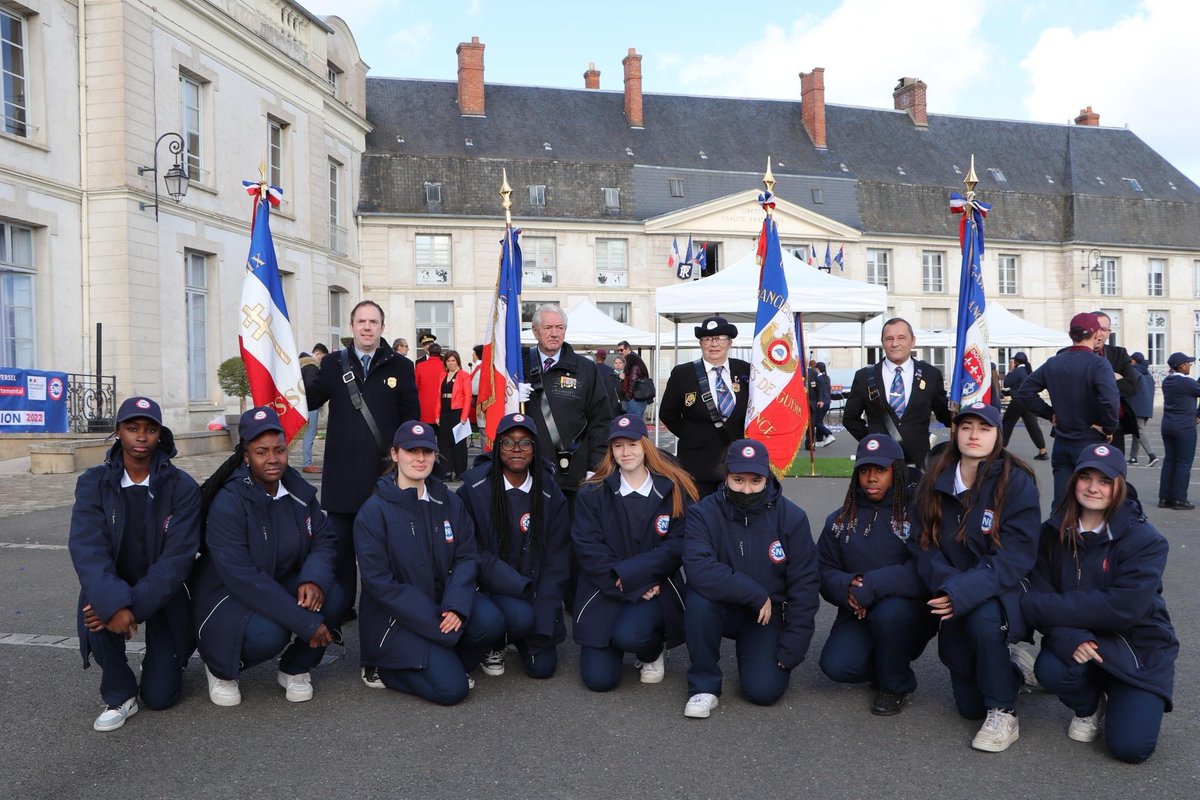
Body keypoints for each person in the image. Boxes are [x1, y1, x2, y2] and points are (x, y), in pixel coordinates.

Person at [1020, 443, 1177, 763]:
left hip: (1135, 650)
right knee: (1049, 668)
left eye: (1105, 481)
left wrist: (1050, 610)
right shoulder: (1051, 534)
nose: (1093, 488)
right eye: (1086, 477)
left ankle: (1121, 693)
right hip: (1080, 642)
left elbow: (1124, 608)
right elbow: (1034, 594)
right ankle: (1090, 705)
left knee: (1131, 748)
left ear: (1119, 486)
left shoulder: (1147, 540)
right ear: (1074, 479)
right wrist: (1068, 636)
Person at [909, 402, 1040, 752]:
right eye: (966, 427)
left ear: (998, 435)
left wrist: (964, 590)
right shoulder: (934, 478)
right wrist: (952, 585)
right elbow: (921, 545)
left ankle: (1004, 712)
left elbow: (1015, 557)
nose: (974, 435)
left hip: (1004, 587)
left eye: (984, 428)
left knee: (983, 619)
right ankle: (1010, 666)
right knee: (968, 708)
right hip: (951, 586)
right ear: (956, 432)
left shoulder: (1017, 481)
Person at [192, 407, 343, 707]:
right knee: (269, 634)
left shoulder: (297, 489)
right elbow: (242, 577)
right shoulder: (229, 502)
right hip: (227, 594)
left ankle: (295, 667)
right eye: (261, 452)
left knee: (334, 594)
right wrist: (303, 621)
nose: (273, 459)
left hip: (277, 579)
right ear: (246, 456)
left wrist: (314, 578)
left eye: (280, 450)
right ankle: (220, 668)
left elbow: (324, 538)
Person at [68, 396, 200, 732]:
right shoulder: (94, 483)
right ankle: (120, 692)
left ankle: (169, 662)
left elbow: (177, 560)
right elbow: (87, 548)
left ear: (160, 435)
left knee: (160, 698)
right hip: (115, 585)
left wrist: (133, 607)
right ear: (118, 432)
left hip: (164, 594)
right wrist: (113, 604)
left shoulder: (182, 487)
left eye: (150, 429)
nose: (141, 436)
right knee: (93, 606)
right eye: (132, 428)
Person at [353, 420, 504, 703]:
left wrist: (456, 606)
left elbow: (466, 556)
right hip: (398, 618)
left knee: (491, 621)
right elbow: (380, 584)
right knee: (452, 691)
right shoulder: (373, 512)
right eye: (411, 451)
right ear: (395, 454)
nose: (420, 459)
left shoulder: (449, 501)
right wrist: (435, 619)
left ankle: (446, 660)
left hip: (443, 605)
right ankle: (381, 669)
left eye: (427, 451)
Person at [682, 439, 820, 719]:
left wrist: (794, 644)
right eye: (738, 480)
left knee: (763, 692)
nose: (746, 489)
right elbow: (698, 566)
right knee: (697, 600)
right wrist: (754, 592)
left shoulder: (792, 517)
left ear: (767, 478)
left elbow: (805, 585)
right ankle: (703, 685)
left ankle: (757, 656)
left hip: (767, 617)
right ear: (726, 476)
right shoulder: (702, 512)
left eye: (755, 481)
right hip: (724, 606)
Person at [304, 299, 421, 625]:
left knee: (386, 548)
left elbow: (411, 417)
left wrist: (408, 462)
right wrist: (284, 375)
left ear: (382, 327)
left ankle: (385, 608)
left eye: (373, 322)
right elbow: (308, 399)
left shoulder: (400, 366)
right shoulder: (332, 364)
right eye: (361, 322)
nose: (367, 327)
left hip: (384, 476)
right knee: (341, 551)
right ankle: (342, 607)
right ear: (352, 326)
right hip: (342, 475)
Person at [571, 414, 700, 691]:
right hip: (605, 586)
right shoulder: (592, 493)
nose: (625, 452)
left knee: (631, 636)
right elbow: (589, 549)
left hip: (656, 586)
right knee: (599, 681)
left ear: (645, 446)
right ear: (611, 451)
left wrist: (636, 576)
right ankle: (613, 642)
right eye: (618, 446)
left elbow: (678, 545)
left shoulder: (673, 488)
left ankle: (650, 651)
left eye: (632, 444)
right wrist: (630, 583)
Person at [817, 435, 933, 715]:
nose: (871, 478)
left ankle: (896, 684)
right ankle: (886, 661)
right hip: (857, 610)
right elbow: (822, 569)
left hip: (906, 610)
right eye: (865, 470)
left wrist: (871, 585)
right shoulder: (839, 519)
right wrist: (846, 587)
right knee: (836, 666)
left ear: (897, 471)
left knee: (890, 614)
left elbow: (927, 568)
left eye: (881, 470)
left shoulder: (919, 513)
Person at [457, 413, 571, 679]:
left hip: (533, 595)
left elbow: (557, 560)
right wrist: (516, 585)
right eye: (508, 442)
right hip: (489, 592)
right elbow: (469, 552)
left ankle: (521, 635)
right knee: (508, 618)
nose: (517, 449)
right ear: (497, 448)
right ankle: (492, 642)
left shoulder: (550, 493)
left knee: (542, 669)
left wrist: (543, 614)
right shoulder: (474, 490)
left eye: (525, 442)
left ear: (535, 448)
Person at [1017, 312, 1120, 507]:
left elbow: (1026, 391)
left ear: (1071, 334)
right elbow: (1110, 400)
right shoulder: (1099, 363)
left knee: (1062, 501)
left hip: (1063, 441)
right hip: (1090, 440)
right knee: (1091, 502)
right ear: (1097, 333)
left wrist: (1049, 413)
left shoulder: (1055, 362)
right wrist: (1108, 428)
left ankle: (1059, 536)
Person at [519, 304, 612, 500]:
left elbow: (600, 420)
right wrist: (508, 394)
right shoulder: (518, 365)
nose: (554, 333)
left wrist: (595, 466)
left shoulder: (585, 368)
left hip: (572, 474)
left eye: (559, 328)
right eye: (548, 328)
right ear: (535, 331)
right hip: (526, 472)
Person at [659, 315, 751, 496]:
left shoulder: (745, 370)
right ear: (701, 343)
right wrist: (691, 434)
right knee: (699, 516)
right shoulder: (682, 373)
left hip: (737, 462)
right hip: (697, 464)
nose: (713, 344)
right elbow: (667, 413)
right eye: (707, 339)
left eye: (719, 338)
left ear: (729, 342)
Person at [843, 317, 952, 469]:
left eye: (901, 338)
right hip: (876, 461)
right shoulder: (865, 377)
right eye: (889, 339)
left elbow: (945, 415)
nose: (895, 344)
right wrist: (872, 440)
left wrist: (966, 407)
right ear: (882, 342)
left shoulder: (931, 375)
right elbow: (850, 418)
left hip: (918, 464)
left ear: (913, 341)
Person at [1091, 312, 1140, 453]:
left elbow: (1132, 386)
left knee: (1114, 471)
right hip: (1081, 425)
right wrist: (1110, 377)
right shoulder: (1068, 354)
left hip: (1113, 425)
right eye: (1096, 329)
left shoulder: (1119, 354)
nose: (1100, 334)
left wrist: (1092, 383)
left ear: (1109, 333)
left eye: (1104, 330)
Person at [1158, 352, 1200, 510]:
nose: (1190, 365)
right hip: (1184, 426)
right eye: (1188, 363)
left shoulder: (1167, 381)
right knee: (1184, 463)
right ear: (1182, 366)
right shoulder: (1187, 383)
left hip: (1168, 425)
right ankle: (1179, 499)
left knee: (1170, 461)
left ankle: (1165, 497)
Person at [1000, 352, 1048, 461]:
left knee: (1007, 424)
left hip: (1018, 402)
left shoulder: (1018, 371)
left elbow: (1006, 383)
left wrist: (1010, 370)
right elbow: (1019, 386)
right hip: (1028, 401)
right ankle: (1042, 450)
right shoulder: (1028, 370)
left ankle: (1000, 448)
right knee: (1032, 426)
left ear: (1016, 362)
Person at [438, 349, 473, 480]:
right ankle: (446, 471)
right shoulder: (442, 375)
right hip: (444, 411)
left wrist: (464, 416)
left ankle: (460, 472)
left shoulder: (464, 375)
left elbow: (468, 396)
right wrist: (437, 414)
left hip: (457, 412)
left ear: (457, 361)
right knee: (444, 443)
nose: (451, 363)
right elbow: (438, 396)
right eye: (448, 361)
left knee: (458, 444)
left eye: (453, 360)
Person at [299, 343, 328, 474]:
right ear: (318, 354)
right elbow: (311, 387)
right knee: (309, 435)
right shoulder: (311, 366)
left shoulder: (302, 364)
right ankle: (307, 463)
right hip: (310, 406)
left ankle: (307, 462)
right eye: (323, 358)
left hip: (301, 405)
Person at [1126, 352, 1159, 466]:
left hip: (1137, 406)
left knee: (1139, 432)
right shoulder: (1147, 373)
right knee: (1137, 432)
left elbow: (1128, 387)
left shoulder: (1134, 371)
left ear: (1134, 360)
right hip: (1147, 407)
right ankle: (1133, 457)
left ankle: (1151, 455)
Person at [615, 340, 651, 421]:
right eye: (618, 350)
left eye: (621, 350)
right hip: (638, 398)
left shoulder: (632, 360)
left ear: (627, 348)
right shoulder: (635, 359)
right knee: (637, 423)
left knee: (633, 423)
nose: (620, 352)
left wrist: (628, 396)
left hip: (635, 398)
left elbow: (632, 381)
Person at [809, 361, 835, 448]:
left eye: (816, 368)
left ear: (818, 369)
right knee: (819, 421)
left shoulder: (819, 378)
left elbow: (820, 391)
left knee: (816, 422)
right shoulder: (827, 378)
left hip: (822, 402)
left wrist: (820, 400)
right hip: (827, 402)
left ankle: (829, 434)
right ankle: (819, 441)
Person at [593, 347, 623, 417]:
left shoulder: (592, 368)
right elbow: (615, 387)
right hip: (608, 401)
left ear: (596, 357)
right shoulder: (610, 370)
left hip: (595, 401)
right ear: (605, 357)